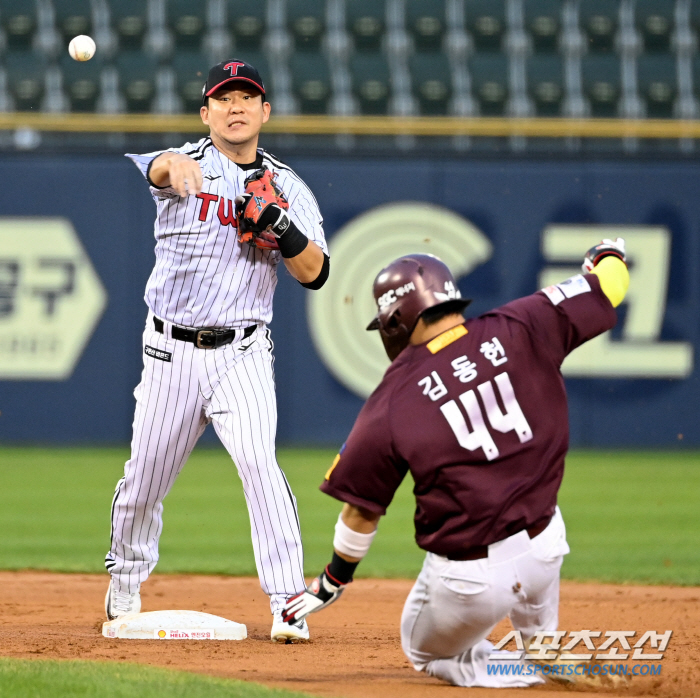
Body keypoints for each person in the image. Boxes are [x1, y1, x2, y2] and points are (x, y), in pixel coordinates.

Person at [282, 240, 629, 684]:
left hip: (472, 580)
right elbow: (611, 286)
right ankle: (545, 654)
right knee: (541, 632)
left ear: (396, 320)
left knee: (421, 650)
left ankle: (526, 673)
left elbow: (361, 509)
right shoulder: (523, 323)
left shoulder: (394, 398)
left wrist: (333, 579)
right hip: (546, 546)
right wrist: (607, 255)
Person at [104, 59, 329, 643]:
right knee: (144, 481)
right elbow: (154, 168)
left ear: (264, 111)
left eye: (247, 98)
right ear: (206, 114)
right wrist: (168, 163)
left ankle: (286, 602)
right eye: (223, 98)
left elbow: (317, 274)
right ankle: (125, 582)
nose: (236, 107)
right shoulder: (186, 165)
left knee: (260, 464)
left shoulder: (290, 188)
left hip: (243, 351)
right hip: (169, 352)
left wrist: (282, 227)